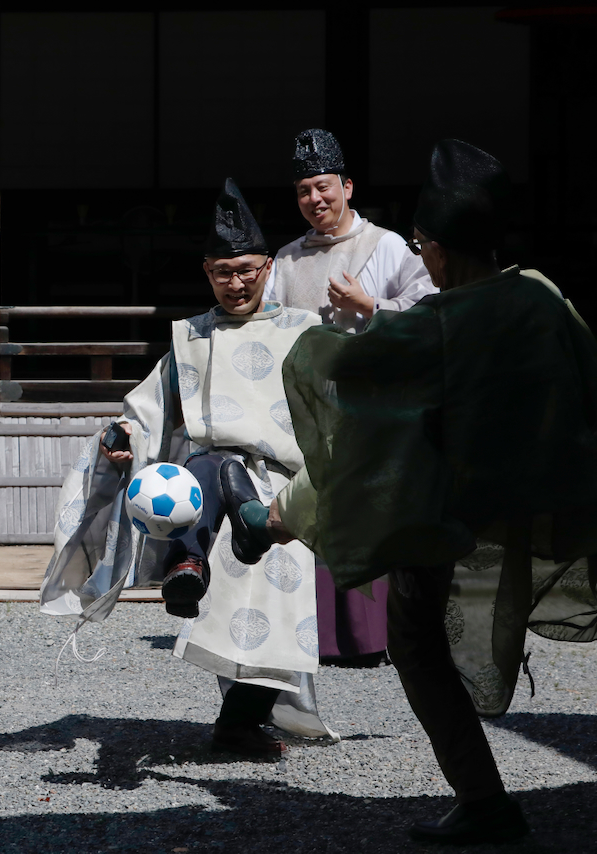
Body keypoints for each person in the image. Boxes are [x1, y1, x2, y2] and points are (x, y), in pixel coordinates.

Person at [225, 140, 597, 843]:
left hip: (453, 508)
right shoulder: (541, 295)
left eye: (424, 246)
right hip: (545, 493)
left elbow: (338, 381)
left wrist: (323, 342)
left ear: (439, 251)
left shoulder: (440, 325)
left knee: (415, 633)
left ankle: (484, 802)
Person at [40, 179, 334, 758]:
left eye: (246, 270)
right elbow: (146, 410)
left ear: (268, 267)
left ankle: (239, 722)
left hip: (283, 487)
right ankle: (188, 564)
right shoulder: (192, 338)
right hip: (209, 491)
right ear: (206, 272)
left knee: (277, 613)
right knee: (227, 600)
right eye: (223, 272)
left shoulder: (305, 332)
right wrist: (120, 441)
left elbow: (334, 408)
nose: (236, 283)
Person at [265, 128, 437, 666]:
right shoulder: (286, 260)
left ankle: (369, 638)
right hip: (304, 412)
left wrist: (370, 307)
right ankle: (311, 634)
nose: (314, 199)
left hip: (370, 404)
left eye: (323, 187)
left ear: (347, 186)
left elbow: (429, 309)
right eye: (303, 191)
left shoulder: (386, 246)